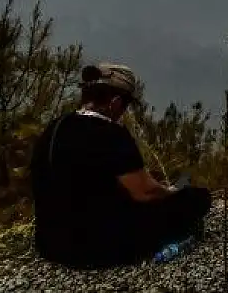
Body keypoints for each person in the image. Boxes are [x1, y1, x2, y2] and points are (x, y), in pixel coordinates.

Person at [29, 63, 212, 269]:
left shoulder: (54, 128)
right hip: (98, 249)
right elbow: (146, 193)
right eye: (125, 106)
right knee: (197, 198)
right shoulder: (111, 134)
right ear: (115, 103)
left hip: (51, 246)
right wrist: (171, 192)